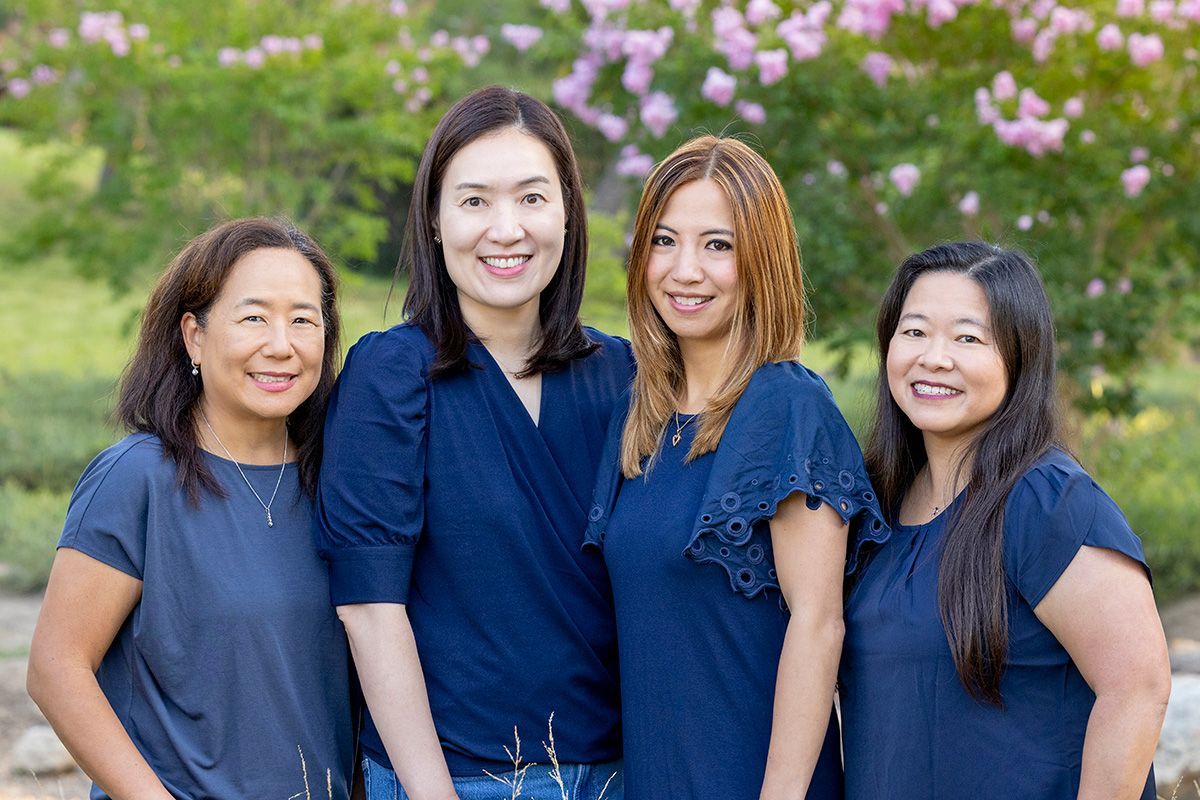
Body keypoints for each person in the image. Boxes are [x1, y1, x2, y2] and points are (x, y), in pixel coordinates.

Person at [315, 86, 632, 800]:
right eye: (474, 201)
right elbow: (369, 608)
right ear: (434, 220)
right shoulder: (392, 374)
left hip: (621, 773)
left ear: (568, 211)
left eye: (532, 198)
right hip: (458, 776)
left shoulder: (624, 375)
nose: (506, 229)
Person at [584, 135, 884, 799]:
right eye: (664, 241)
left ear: (760, 260)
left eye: (717, 245)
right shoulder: (639, 415)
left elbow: (818, 625)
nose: (684, 269)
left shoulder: (787, 407)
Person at [27, 217, 354, 799]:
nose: (282, 345)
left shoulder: (342, 481)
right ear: (194, 336)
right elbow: (56, 669)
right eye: (254, 318)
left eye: (303, 320)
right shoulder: (136, 479)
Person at [840, 241, 1170, 798]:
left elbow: (1137, 688)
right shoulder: (877, 500)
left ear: (1020, 357)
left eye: (968, 338)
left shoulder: (1047, 502)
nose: (934, 357)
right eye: (915, 331)